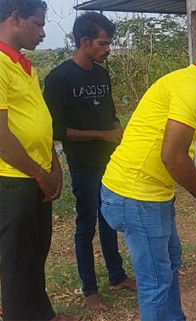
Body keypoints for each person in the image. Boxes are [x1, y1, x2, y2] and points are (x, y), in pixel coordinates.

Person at [100, 45, 196, 320]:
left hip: (151, 193)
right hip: (135, 194)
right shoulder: (192, 89)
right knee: (156, 280)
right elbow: (173, 157)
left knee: (170, 262)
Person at [43, 12, 137, 312]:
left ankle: (117, 276)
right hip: (83, 164)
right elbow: (54, 130)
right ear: (84, 41)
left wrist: (116, 129)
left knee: (110, 219)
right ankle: (90, 290)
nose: (107, 48)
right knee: (86, 226)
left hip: (111, 162)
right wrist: (100, 134)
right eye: (102, 43)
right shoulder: (59, 78)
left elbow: (109, 112)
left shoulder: (101, 73)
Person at [0, 1, 79, 320]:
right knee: (17, 258)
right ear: (15, 18)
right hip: (13, 177)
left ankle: (42, 314)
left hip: (36, 174)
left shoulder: (22, 65)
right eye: (38, 23)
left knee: (35, 251)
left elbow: (37, 122)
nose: (44, 32)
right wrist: (38, 173)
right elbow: (2, 136)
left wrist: (53, 166)